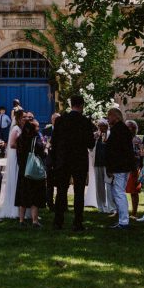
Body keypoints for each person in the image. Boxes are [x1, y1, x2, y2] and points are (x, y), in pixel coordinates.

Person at [50, 94, 97, 231]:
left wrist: (55, 159)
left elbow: (54, 141)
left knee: (61, 191)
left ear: (71, 105)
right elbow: (90, 143)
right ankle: (77, 222)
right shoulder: (85, 121)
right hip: (79, 160)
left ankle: (58, 222)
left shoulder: (60, 120)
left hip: (63, 160)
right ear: (82, 105)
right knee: (79, 192)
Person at [105, 106, 136, 229]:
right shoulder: (121, 129)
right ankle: (122, 219)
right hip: (122, 166)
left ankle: (124, 221)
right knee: (118, 192)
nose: (108, 119)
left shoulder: (118, 130)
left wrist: (111, 167)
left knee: (119, 193)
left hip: (120, 167)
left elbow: (116, 151)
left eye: (109, 116)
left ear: (115, 116)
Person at [14, 111, 46, 227]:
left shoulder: (21, 139)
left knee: (23, 196)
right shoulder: (36, 140)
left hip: (23, 170)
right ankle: (34, 220)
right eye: (37, 127)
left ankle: (21, 220)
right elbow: (41, 154)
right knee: (35, 196)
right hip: (33, 171)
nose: (38, 128)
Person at [0, 109, 25, 220]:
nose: (25, 119)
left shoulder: (21, 128)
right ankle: (13, 208)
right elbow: (12, 144)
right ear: (18, 119)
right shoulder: (16, 129)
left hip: (20, 157)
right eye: (23, 117)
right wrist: (24, 147)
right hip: (16, 157)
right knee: (15, 180)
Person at [93, 119, 113, 214]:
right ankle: (101, 206)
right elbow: (90, 148)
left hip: (107, 163)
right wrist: (94, 138)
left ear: (107, 126)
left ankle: (110, 207)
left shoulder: (110, 135)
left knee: (109, 185)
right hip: (97, 162)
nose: (101, 128)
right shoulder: (96, 136)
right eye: (99, 126)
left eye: (103, 126)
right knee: (99, 186)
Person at [125, 120, 143, 216]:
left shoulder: (137, 140)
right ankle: (120, 211)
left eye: (132, 127)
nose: (129, 129)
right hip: (123, 169)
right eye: (127, 127)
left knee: (134, 192)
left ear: (135, 129)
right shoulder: (122, 139)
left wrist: (133, 155)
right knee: (120, 191)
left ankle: (134, 213)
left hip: (134, 169)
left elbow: (141, 154)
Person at [44, 112, 60, 209]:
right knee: (49, 183)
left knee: (60, 184)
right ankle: (50, 203)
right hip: (50, 159)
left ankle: (61, 203)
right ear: (52, 120)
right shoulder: (47, 130)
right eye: (54, 119)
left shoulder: (64, 130)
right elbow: (44, 141)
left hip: (59, 160)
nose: (56, 121)